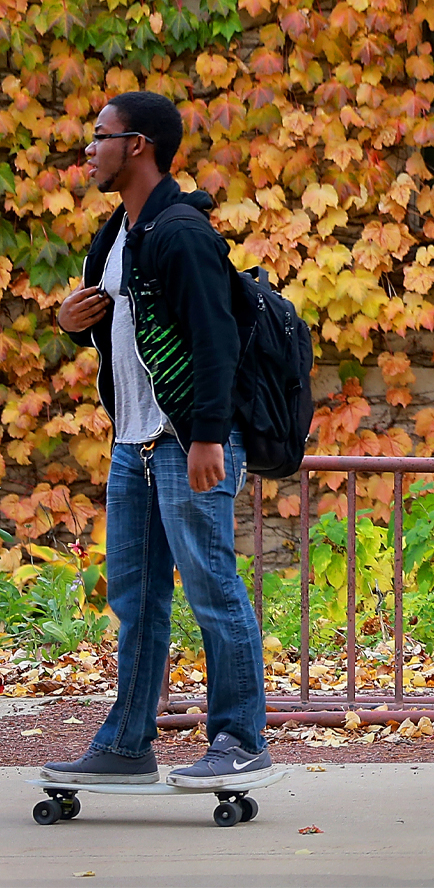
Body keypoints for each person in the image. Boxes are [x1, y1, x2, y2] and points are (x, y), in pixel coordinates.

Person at [44, 91, 273, 788]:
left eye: (100, 134)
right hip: (134, 445)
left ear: (137, 145)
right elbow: (126, 332)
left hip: (186, 443)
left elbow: (216, 340)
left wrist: (208, 437)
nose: (89, 147)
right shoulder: (115, 235)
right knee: (137, 597)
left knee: (212, 588)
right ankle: (126, 744)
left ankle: (239, 738)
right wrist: (70, 320)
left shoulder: (182, 232)